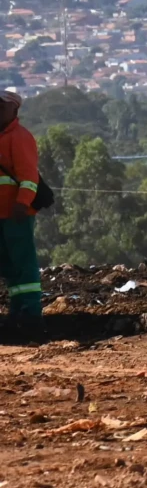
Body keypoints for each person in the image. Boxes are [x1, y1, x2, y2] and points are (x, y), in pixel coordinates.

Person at [0, 91, 41, 319]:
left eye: (2, 107)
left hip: (17, 213)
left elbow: (29, 177)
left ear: (14, 110)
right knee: (7, 262)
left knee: (23, 260)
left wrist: (22, 203)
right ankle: (17, 307)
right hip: (1, 213)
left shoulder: (19, 136)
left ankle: (31, 309)